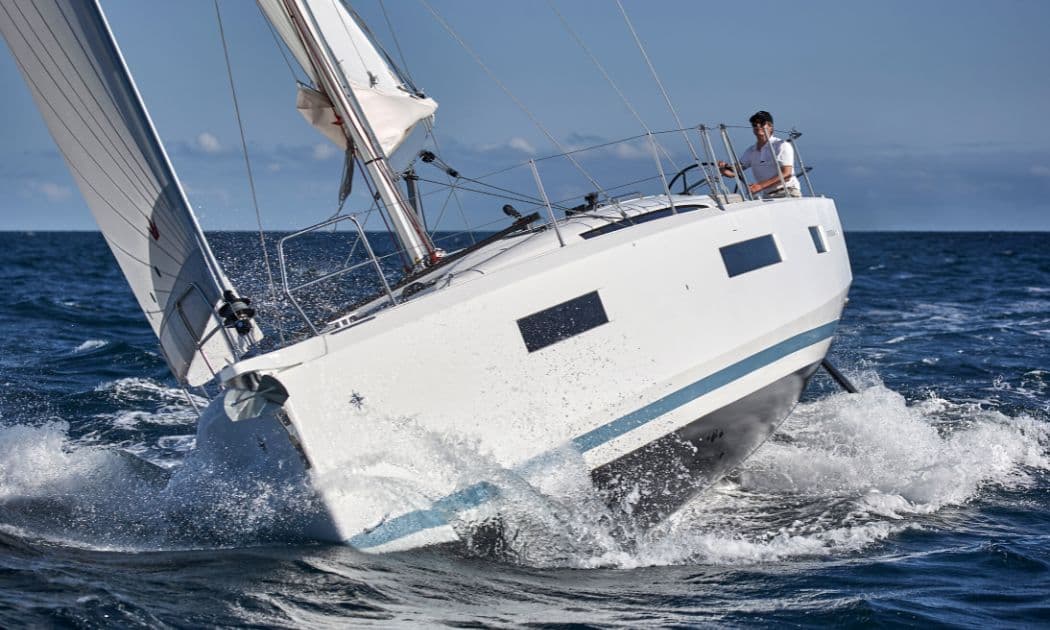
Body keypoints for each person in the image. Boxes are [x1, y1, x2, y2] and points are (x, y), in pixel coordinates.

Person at [718, 111, 801, 198]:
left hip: (788, 192)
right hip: (767, 196)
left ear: (770, 126)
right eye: (754, 124)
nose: (758, 126)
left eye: (762, 123)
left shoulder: (781, 145)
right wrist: (723, 169)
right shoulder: (751, 151)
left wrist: (760, 186)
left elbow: (787, 174)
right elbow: (733, 172)